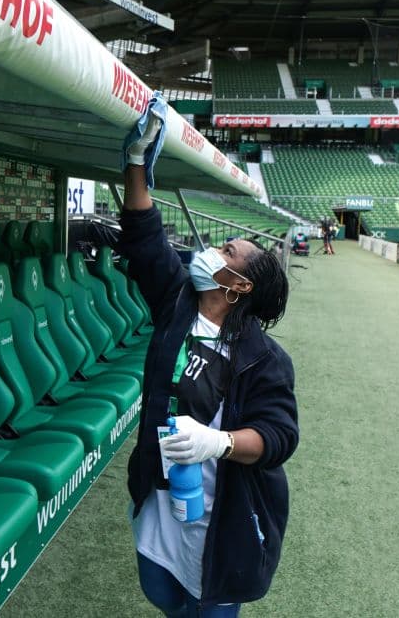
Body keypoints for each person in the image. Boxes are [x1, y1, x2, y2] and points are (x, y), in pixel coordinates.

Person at [117, 103, 299, 617]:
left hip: (224, 519)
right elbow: (145, 238)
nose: (211, 250)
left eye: (226, 249)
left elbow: (279, 436)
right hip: (161, 499)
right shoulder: (177, 304)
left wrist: (217, 442)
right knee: (164, 595)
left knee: (209, 606)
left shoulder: (265, 360)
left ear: (238, 286)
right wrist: (136, 161)